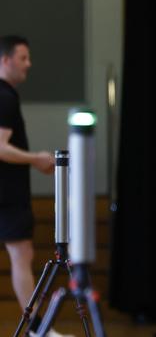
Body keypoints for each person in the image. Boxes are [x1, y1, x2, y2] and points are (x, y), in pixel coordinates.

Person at [0, 35, 72, 337]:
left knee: (22, 255)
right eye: (23, 58)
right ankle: (37, 330)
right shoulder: (4, 97)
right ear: (5, 60)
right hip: (7, 196)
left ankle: (37, 329)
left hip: (8, 196)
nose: (28, 64)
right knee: (22, 256)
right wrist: (36, 158)